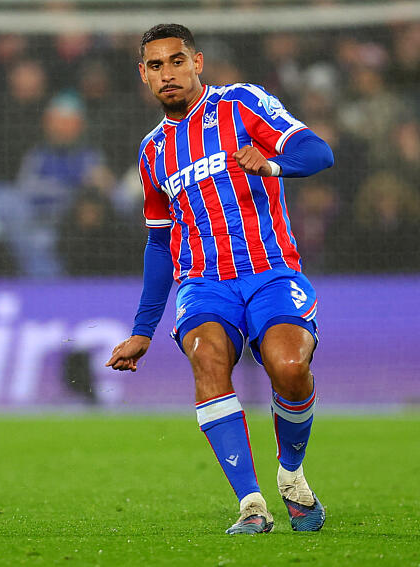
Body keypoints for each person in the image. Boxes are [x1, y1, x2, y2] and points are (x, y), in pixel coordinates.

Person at [105, 24, 334, 535]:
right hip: (203, 282)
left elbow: (320, 153)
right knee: (207, 360)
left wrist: (271, 165)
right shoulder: (152, 151)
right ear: (143, 75)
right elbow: (160, 243)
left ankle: (292, 474)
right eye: (156, 66)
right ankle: (251, 504)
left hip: (270, 271)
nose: (168, 73)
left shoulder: (242, 103)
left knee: (289, 366)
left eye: (177, 61)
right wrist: (143, 330)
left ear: (198, 62)